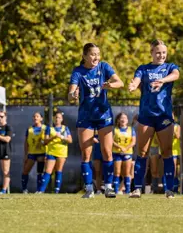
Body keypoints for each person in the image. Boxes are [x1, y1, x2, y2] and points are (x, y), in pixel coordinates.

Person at [69, 42, 124, 198]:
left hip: (103, 115)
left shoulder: (104, 67)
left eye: (98, 54)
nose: (96, 57)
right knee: (86, 154)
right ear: (85, 56)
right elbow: (70, 93)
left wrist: (110, 86)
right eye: (92, 54)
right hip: (86, 117)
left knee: (107, 152)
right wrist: (73, 95)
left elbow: (121, 83)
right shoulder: (78, 71)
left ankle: (108, 187)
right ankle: (89, 189)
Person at [128, 39, 180, 198]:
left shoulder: (170, 67)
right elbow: (137, 79)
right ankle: (137, 188)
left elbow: (176, 75)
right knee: (142, 152)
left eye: (164, 52)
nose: (161, 55)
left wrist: (162, 80)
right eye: (158, 52)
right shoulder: (143, 68)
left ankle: (169, 189)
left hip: (164, 116)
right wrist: (133, 85)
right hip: (146, 116)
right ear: (151, 53)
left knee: (166, 151)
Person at [38, 111, 72, 193]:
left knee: (59, 171)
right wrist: (53, 137)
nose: (57, 119)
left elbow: (70, 140)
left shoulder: (65, 128)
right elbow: (45, 141)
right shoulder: (49, 128)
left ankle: (56, 191)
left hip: (61, 152)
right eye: (56, 117)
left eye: (59, 117)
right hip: (51, 152)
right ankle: (41, 191)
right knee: (48, 171)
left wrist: (62, 137)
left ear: (62, 119)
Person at [21, 112, 47, 194]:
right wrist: (26, 154)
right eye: (34, 116)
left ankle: (39, 190)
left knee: (40, 171)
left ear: (41, 119)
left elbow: (47, 140)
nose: (35, 118)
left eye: (37, 116)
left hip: (41, 153)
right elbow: (26, 143)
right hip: (31, 153)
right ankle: (24, 189)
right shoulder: (29, 129)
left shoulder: (45, 128)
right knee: (25, 171)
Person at [112, 112, 136, 195]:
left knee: (127, 173)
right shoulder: (115, 129)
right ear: (118, 120)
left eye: (125, 118)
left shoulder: (131, 129)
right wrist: (119, 146)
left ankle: (127, 191)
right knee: (117, 172)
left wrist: (126, 148)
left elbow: (133, 141)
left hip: (128, 153)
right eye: (121, 118)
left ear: (127, 120)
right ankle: (115, 191)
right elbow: (111, 140)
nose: (123, 119)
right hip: (117, 153)